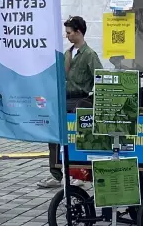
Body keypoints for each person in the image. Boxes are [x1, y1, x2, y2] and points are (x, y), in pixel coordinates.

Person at [42, 15, 101, 188]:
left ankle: (80, 174)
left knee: (77, 138)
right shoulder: (67, 53)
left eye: (69, 32)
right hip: (63, 99)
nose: (67, 35)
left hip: (79, 99)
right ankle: (56, 173)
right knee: (54, 136)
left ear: (78, 32)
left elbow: (100, 77)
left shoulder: (89, 55)